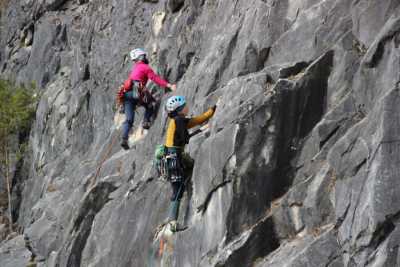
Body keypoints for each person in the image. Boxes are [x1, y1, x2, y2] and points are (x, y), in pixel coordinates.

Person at [164, 95, 216, 231]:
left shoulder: (179, 120)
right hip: (174, 156)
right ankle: (172, 223)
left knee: (192, 165)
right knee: (178, 189)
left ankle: (187, 177)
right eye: (184, 105)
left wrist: (213, 109)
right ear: (180, 109)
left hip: (175, 155)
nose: (187, 107)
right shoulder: (179, 121)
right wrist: (201, 130)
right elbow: (184, 137)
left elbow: (198, 120)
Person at [120, 48, 176, 150]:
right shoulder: (145, 67)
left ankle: (124, 139)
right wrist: (169, 85)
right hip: (137, 92)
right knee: (151, 104)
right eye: (144, 56)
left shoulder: (135, 69)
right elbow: (155, 79)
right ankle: (146, 121)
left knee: (129, 119)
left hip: (127, 95)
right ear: (141, 57)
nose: (146, 58)